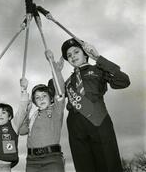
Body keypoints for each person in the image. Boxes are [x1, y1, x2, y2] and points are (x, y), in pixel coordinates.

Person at [50, 38, 130, 172]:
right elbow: (54, 95)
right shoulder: (68, 81)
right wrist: (56, 73)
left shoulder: (98, 69)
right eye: (69, 55)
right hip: (75, 126)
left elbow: (123, 81)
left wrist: (98, 58)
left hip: (98, 120)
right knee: (84, 167)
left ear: (85, 53)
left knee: (108, 164)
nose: (72, 56)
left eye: (76, 52)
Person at [19, 50, 66, 172]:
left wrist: (53, 65)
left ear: (51, 98)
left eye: (44, 96)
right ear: (35, 102)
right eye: (37, 98)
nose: (41, 99)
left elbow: (60, 90)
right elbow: (22, 130)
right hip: (32, 160)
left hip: (52, 158)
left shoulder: (56, 110)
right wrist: (26, 110)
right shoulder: (34, 117)